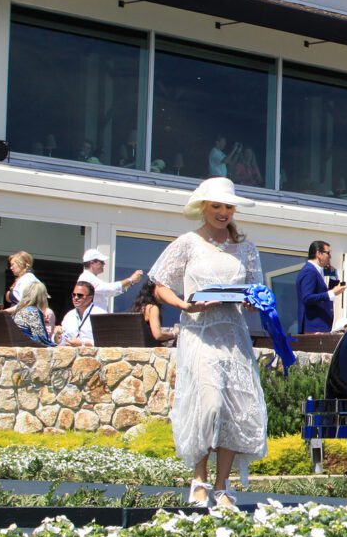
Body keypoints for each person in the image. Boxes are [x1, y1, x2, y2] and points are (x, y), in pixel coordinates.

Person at [148, 177, 268, 510]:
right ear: (204, 207)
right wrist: (184, 304)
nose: (223, 212)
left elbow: (255, 290)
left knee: (235, 409)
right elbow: (159, 284)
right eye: (216, 205)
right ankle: (199, 477)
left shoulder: (246, 247)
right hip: (199, 332)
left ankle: (222, 483)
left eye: (228, 206)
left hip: (233, 334)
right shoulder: (188, 242)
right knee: (209, 403)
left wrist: (251, 301)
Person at [296, 240, 346, 333]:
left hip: (319, 327)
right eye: (328, 253)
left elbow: (323, 294)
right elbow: (307, 298)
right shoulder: (309, 271)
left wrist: (333, 275)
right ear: (318, 254)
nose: (330, 256)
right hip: (313, 328)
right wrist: (331, 293)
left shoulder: (316, 270)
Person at [78, 249, 144, 314]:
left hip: (95, 320)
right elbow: (109, 289)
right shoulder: (87, 278)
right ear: (92, 263)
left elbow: (110, 292)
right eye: (101, 262)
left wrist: (131, 282)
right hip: (92, 320)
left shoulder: (89, 277)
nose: (104, 264)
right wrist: (130, 279)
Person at [0, 278, 54, 345]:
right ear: (41, 297)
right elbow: (40, 338)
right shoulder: (33, 311)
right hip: (26, 346)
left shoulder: (20, 310)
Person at [128, 278, 178, 345]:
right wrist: (174, 334)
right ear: (154, 291)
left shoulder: (139, 307)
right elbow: (158, 335)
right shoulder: (152, 308)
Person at [56, 281, 104, 346]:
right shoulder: (69, 315)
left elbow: (105, 342)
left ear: (90, 297)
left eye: (80, 295)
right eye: (73, 295)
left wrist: (82, 344)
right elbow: (63, 340)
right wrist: (57, 336)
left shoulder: (100, 314)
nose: (76, 298)